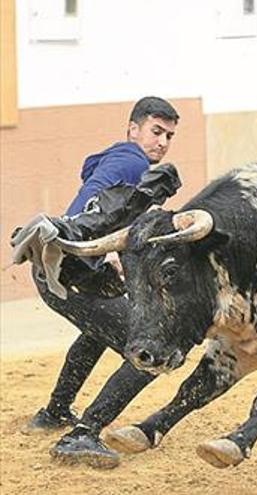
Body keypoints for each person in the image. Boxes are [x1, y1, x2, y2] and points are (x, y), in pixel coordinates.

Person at [21, 97, 181, 468]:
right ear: (132, 129)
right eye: (156, 131)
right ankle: (83, 434)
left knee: (99, 328)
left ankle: (55, 411)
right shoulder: (132, 162)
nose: (163, 142)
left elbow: (103, 208)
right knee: (153, 352)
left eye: (169, 136)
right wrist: (94, 249)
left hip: (61, 272)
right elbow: (89, 209)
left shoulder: (119, 160)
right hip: (71, 272)